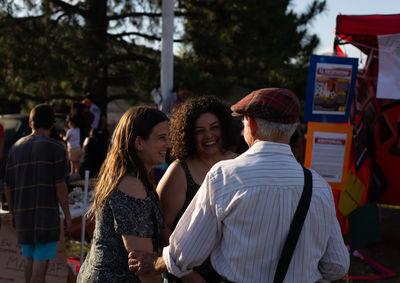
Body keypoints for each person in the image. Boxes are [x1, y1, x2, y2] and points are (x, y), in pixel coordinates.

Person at [128, 88, 350, 283]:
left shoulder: (225, 175)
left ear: (251, 125)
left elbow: (186, 252)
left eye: (244, 121)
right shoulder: (319, 185)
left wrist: (155, 263)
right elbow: (337, 264)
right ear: (292, 128)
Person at [77, 106, 171, 283]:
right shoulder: (131, 184)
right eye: (161, 138)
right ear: (139, 143)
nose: (169, 144)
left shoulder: (134, 177)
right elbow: (142, 264)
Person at [157, 96, 241, 282]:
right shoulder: (179, 171)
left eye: (214, 127)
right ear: (188, 135)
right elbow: (161, 227)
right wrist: (186, 273)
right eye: (200, 131)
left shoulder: (238, 164)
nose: (209, 135)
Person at [4, 104, 71, 283]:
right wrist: (67, 214)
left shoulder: (15, 148)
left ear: (31, 123)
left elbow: (8, 186)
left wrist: (12, 213)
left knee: (29, 262)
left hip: (23, 216)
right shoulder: (57, 148)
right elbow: (60, 186)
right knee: (40, 269)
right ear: (51, 125)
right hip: (46, 216)